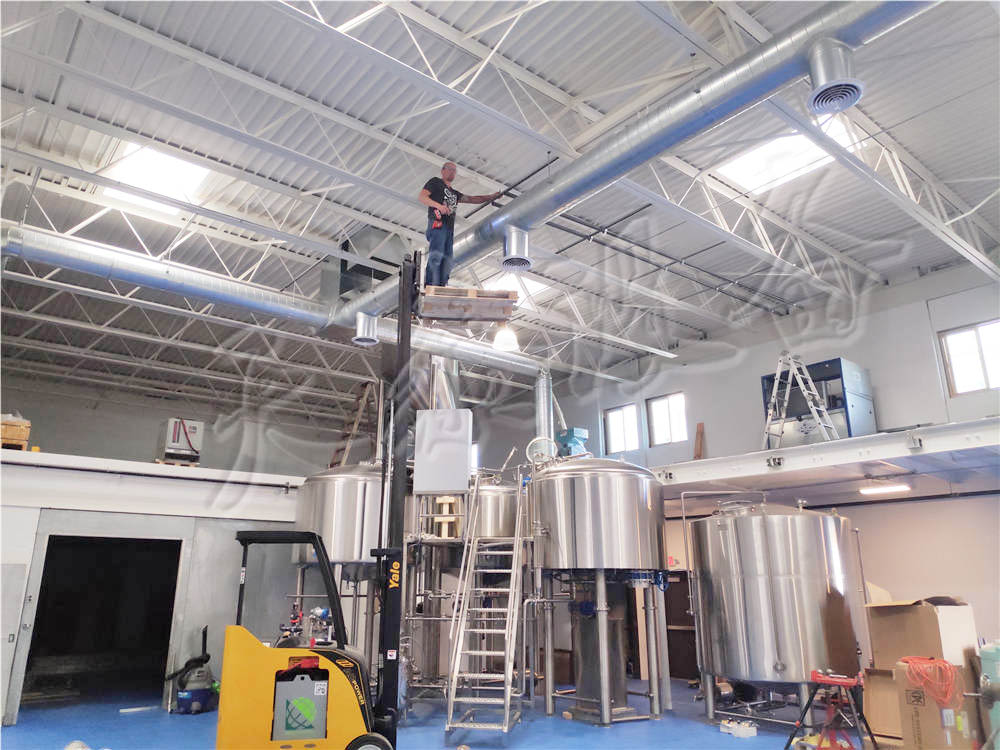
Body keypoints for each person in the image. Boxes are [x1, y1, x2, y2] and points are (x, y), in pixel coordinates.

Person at [418, 162, 500, 288]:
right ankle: (429, 285)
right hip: (437, 224)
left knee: (448, 260)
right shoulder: (435, 182)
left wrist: (491, 197)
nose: (452, 172)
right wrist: (439, 206)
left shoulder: (455, 194)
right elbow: (422, 197)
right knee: (437, 254)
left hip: (449, 229)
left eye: (454, 170)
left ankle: (441, 287)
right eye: (450, 169)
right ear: (443, 170)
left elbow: (472, 199)